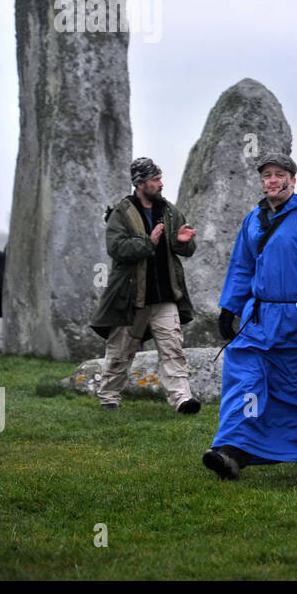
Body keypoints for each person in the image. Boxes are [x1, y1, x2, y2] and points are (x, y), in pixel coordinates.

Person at [204, 153, 297, 483]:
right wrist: (230, 306)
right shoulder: (253, 220)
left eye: (279, 174)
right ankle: (232, 451)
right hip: (258, 317)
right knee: (246, 380)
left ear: (292, 180)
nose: (272, 180)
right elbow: (242, 266)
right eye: (267, 175)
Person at [89, 158, 201, 414]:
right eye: (155, 180)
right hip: (132, 297)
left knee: (173, 348)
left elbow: (186, 247)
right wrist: (148, 242)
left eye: (160, 178)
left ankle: (182, 400)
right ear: (140, 184)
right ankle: (109, 398)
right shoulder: (122, 212)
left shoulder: (170, 211)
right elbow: (116, 248)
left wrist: (183, 241)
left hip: (165, 296)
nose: (161, 184)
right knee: (120, 352)